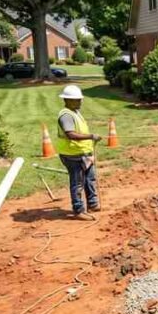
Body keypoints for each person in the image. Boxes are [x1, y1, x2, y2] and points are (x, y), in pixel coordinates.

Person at [56, 85, 101, 217]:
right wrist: (91, 136)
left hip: (83, 153)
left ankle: (92, 204)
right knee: (77, 183)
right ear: (67, 100)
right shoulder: (66, 116)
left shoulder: (75, 112)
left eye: (80, 99)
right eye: (77, 99)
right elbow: (70, 134)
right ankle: (79, 210)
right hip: (72, 155)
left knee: (89, 179)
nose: (80, 101)